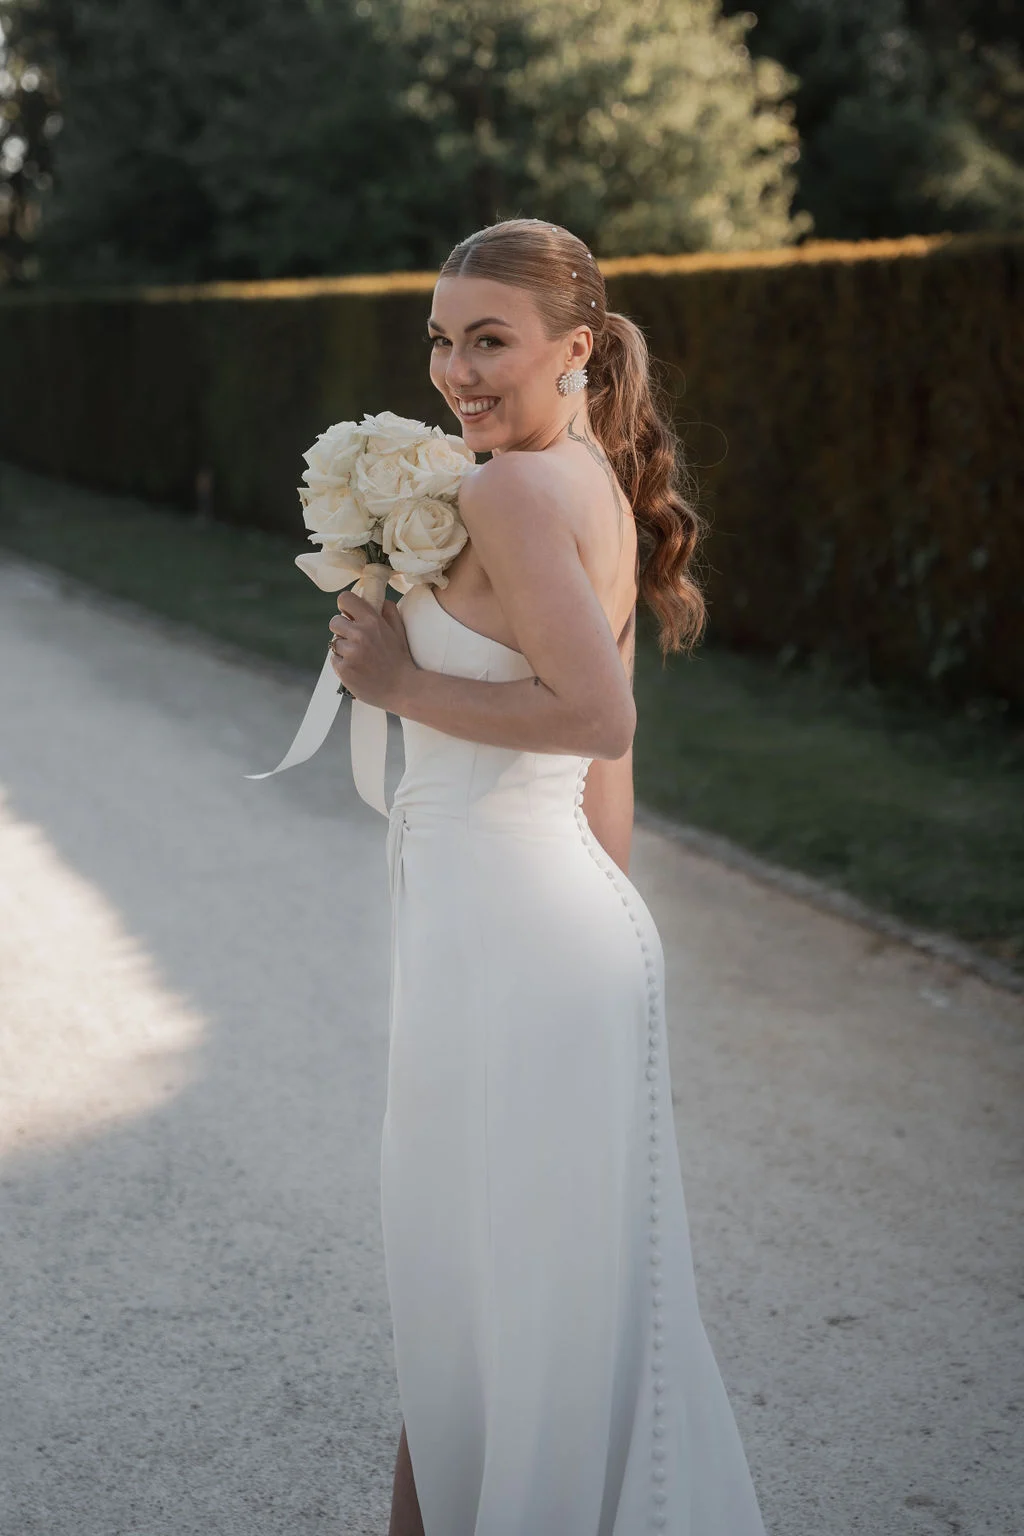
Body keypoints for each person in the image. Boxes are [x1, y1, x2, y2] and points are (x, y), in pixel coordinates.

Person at [327, 217, 768, 1536]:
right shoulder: (581, 480)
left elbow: (598, 720)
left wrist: (398, 681)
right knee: (490, 1300)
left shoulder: (512, 494)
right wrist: (605, 927)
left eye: (489, 341)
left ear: (574, 348)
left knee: (476, 1294)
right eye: (440, 341)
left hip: (517, 945)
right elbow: (599, 785)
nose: (456, 371)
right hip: (545, 932)